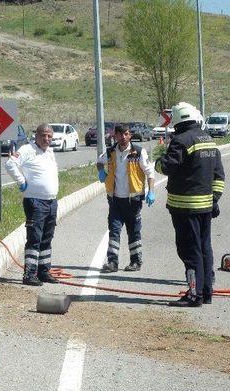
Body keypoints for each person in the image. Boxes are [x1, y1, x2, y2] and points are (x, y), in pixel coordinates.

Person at [155, 102, 225, 307]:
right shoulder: (209, 140)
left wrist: (158, 159)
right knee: (204, 248)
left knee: (189, 250)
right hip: (205, 206)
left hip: (184, 208)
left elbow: (167, 166)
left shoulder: (181, 140)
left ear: (176, 121)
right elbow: (218, 176)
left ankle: (194, 295)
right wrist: (214, 199)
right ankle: (206, 292)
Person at [96, 123, 155, 272]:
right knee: (114, 231)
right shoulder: (110, 152)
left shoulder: (138, 152)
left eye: (126, 134)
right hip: (115, 200)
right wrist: (101, 171)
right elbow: (99, 162)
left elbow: (150, 173)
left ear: (130, 135)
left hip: (133, 201)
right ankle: (112, 262)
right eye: (120, 134)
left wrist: (151, 191)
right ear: (115, 136)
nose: (123, 137)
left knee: (134, 231)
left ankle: (136, 261)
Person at [6, 123, 59, 286]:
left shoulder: (49, 152)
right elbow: (10, 164)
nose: (46, 139)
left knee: (46, 238)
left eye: (49, 136)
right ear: (36, 135)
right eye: (43, 135)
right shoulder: (27, 149)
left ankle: (43, 271)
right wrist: (21, 181)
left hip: (51, 202)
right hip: (35, 202)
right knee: (35, 238)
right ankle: (29, 273)